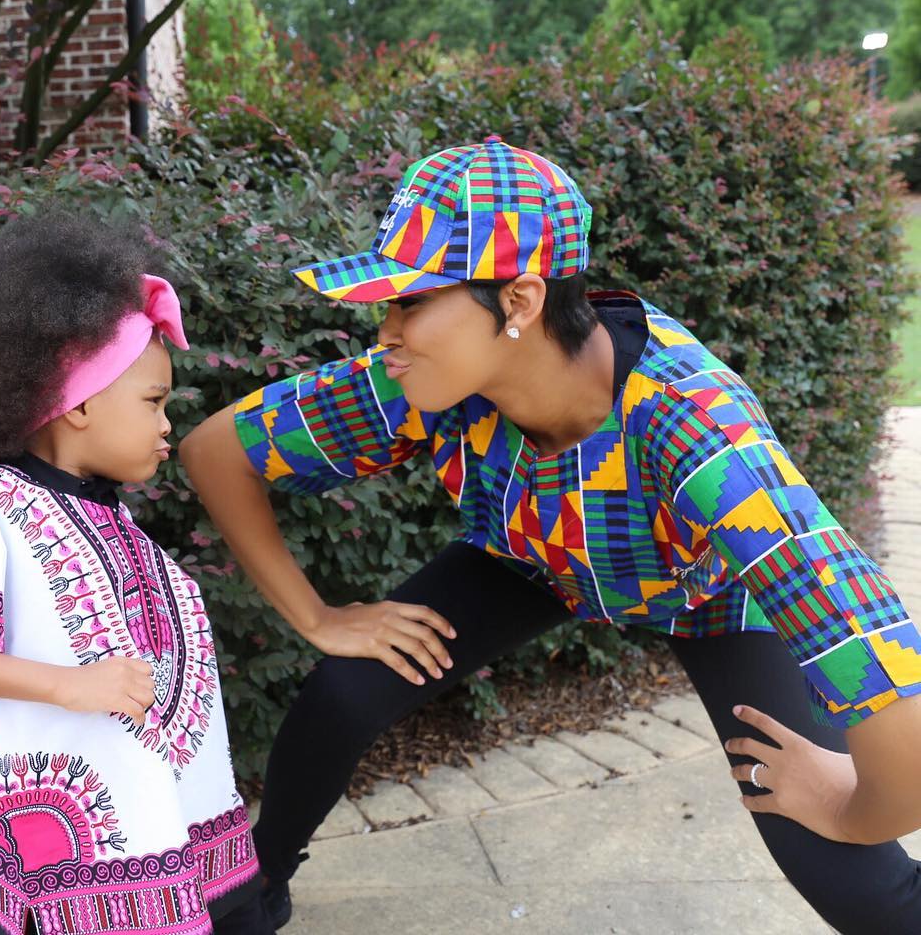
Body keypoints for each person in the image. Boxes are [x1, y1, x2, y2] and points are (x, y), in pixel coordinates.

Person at [182, 136, 921, 934]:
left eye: (412, 302)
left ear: (522, 301)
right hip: (530, 557)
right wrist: (319, 619)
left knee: (861, 890)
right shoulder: (425, 383)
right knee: (343, 692)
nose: (385, 332)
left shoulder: (702, 440)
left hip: (709, 594)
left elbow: (901, 714)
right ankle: (258, 888)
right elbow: (214, 451)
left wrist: (852, 812)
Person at [0, 210, 271, 935]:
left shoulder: (108, 517)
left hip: (168, 831)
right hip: (63, 856)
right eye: (153, 401)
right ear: (81, 402)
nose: (165, 426)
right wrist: (68, 685)